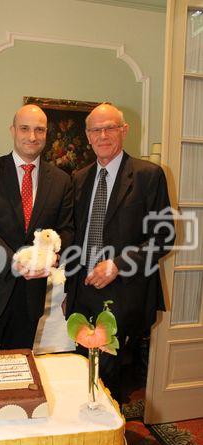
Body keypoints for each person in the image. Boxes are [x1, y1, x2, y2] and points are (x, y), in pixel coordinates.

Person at [64, 103, 174, 403]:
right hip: (82, 292)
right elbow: (75, 236)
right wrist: (68, 290)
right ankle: (85, 437)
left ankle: (112, 439)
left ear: (123, 130)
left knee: (112, 381)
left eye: (110, 127)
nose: (103, 135)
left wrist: (118, 264)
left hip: (124, 293)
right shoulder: (78, 178)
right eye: (96, 130)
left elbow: (164, 236)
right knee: (82, 372)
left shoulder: (148, 175)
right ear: (87, 135)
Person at [0, 104, 73, 351]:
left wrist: (51, 257)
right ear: (13, 130)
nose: (32, 136)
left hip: (29, 301)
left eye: (39, 130)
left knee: (18, 373)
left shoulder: (62, 181)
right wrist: (16, 261)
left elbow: (66, 230)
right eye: (25, 128)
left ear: (46, 134)